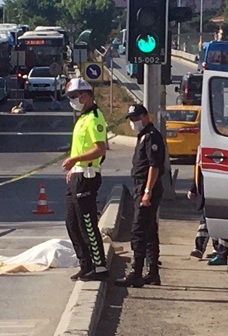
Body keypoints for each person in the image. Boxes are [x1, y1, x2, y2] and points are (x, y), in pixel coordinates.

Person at [62, 78, 109, 282]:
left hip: (88, 175)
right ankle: (85, 264)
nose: (72, 100)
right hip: (78, 174)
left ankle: (99, 267)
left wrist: (75, 159)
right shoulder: (82, 117)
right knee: (72, 222)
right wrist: (74, 166)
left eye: (74, 96)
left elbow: (100, 149)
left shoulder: (95, 118)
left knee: (87, 223)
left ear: (85, 95)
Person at [115, 104, 165, 288]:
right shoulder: (143, 136)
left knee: (138, 230)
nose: (133, 122)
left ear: (145, 116)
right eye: (131, 119)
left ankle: (136, 272)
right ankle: (152, 272)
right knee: (150, 230)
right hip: (141, 187)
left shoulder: (152, 136)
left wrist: (147, 192)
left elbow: (154, 166)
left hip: (146, 188)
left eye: (136, 118)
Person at [187, 157, 219, 259]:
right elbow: (198, 171)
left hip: (217, 189)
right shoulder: (201, 150)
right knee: (207, 219)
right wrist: (193, 188)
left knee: (211, 219)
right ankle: (200, 248)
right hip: (204, 190)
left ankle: (206, 248)